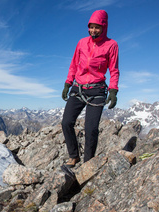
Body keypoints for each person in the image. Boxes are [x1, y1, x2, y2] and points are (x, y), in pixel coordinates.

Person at [61, 9, 119, 168]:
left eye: (97, 27)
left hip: (97, 90)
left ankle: (88, 163)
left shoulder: (111, 45)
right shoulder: (81, 43)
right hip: (78, 87)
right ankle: (74, 156)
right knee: (66, 122)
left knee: (91, 129)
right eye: (91, 27)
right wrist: (68, 84)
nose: (93, 30)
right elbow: (73, 65)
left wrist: (113, 90)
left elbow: (114, 70)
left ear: (104, 27)